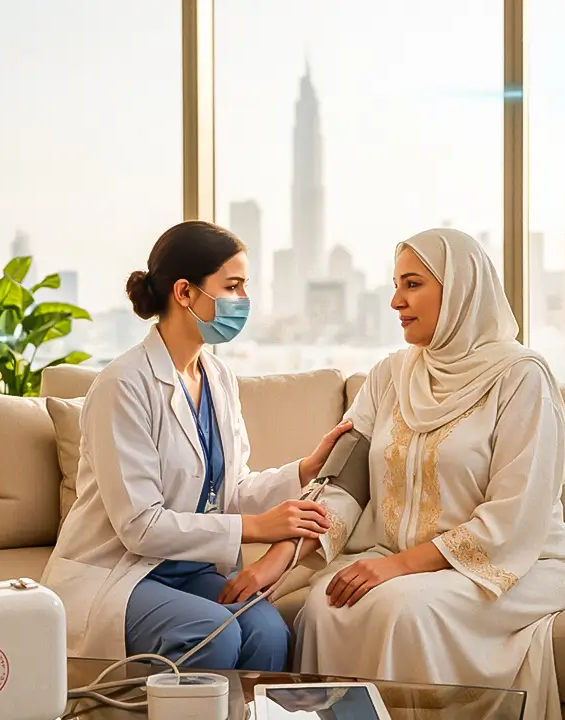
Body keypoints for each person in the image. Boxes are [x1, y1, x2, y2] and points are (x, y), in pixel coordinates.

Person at [222, 228, 565, 720]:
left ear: (459, 289)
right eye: (395, 284)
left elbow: (516, 515)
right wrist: (279, 558)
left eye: (412, 284)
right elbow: (344, 481)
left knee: (401, 610)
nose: (396, 300)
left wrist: (396, 567)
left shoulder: (521, 378)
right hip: (396, 558)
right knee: (327, 608)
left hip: (510, 564)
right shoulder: (391, 374)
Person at [41, 220, 352, 673]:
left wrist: (305, 469)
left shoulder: (218, 377)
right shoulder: (123, 385)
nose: (243, 300)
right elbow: (140, 528)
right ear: (185, 293)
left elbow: (230, 488)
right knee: (213, 631)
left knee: (268, 632)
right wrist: (257, 528)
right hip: (121, 571)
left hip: (190, 568)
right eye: (232, 286)